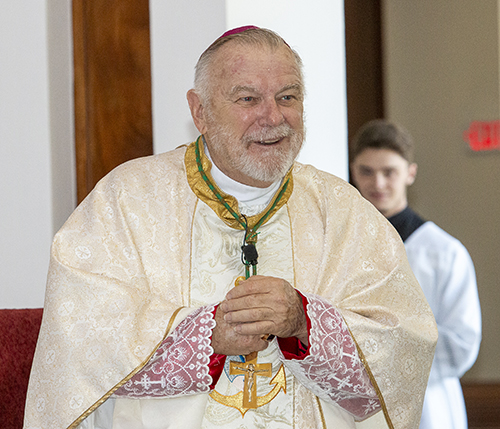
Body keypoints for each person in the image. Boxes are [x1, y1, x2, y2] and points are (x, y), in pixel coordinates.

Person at [24, 28, 437, 429]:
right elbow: (78, 348)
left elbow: (402, 355)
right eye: (248, 98)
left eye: (288, 97)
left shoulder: (344, 212)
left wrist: (304, 324)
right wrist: (207, 336)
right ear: (199, 111)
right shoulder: (126, 201)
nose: (272, 116)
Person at [350, 119, 482, 429]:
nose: (378, 183)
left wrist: (388, 345)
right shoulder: (341, 248)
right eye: (366, 171)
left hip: (428, 406)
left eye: (389, 172)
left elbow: (462, 342)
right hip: (356, 405)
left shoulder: (443, 252)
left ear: (410, 173)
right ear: (353, 171)